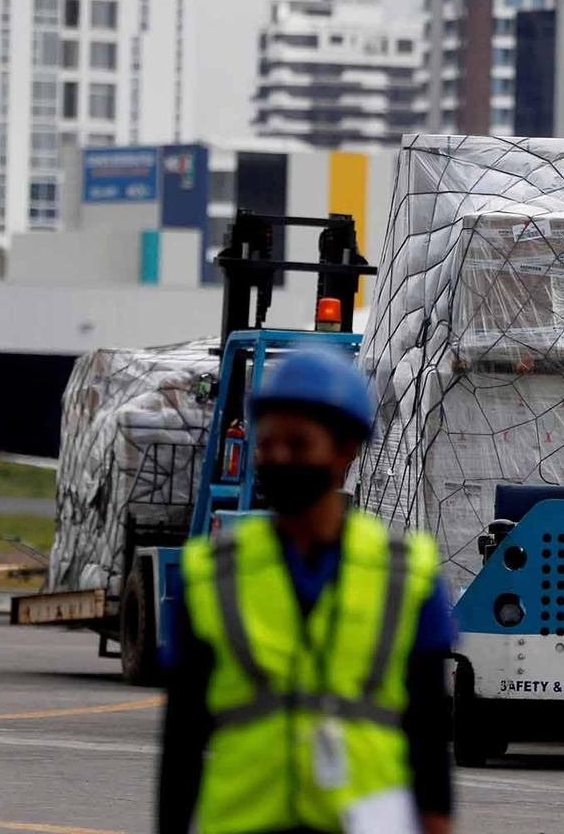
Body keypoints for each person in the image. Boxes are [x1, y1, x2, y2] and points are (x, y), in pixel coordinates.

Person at [158, 348, 456, 834]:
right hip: (244, 822)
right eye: (268, 444)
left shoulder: (407, 574)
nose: (278, 458)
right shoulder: (211, 574)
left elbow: (426, 729)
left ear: (346, 450)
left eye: (298, 445)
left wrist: (438, 821)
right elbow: (182, 738)